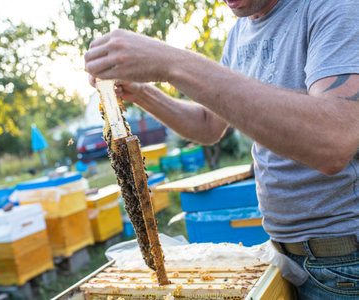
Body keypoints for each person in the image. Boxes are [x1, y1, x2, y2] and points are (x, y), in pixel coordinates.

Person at [84, 0, 359, 299]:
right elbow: (207, 124)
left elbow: (334, 139)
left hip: (345, 263)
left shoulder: (334, 8)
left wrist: (172, 63)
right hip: (284, 254)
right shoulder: (240, 31)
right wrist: (143, 93)